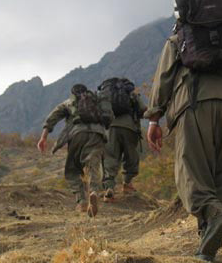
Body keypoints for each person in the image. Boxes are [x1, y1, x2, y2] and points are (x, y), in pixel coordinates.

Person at [145, 0, 222, 263]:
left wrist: (154, 118)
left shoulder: (178, 39)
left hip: (195, 103)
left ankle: (212, 217)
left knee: (190, 170)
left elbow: (163, 77)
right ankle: (209, 240)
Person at [37, 83, 113, 217]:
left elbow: (52, 118)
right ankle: (94, 191)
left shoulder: (69, 102)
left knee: (72, 169)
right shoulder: (96, 101)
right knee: (94, 165)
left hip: (77, 134)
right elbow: (109, 118)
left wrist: (43, 137)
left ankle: (82, 201)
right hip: (98, 134)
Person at [100, 78, 147, 200]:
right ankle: (127, 184)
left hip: (110, 128)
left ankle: (109, 187)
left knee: (110, 157)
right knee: (130, 156)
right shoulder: (130, 92)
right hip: (129, 127)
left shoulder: (107, 95)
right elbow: (142, 109)